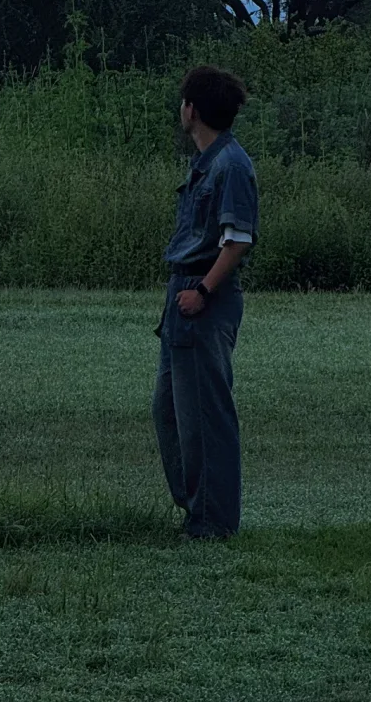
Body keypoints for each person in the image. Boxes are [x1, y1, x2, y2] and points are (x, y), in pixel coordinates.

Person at [152, 65, 260, 541]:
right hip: (184, 298)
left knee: (205, 416)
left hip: (203, 298)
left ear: (192, 110)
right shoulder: (207, 162)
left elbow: (237, 241)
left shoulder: (231, 165)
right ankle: (196, 510)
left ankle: (213, 523)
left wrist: (203, 291)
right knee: (171, 412)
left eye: (183, 102)